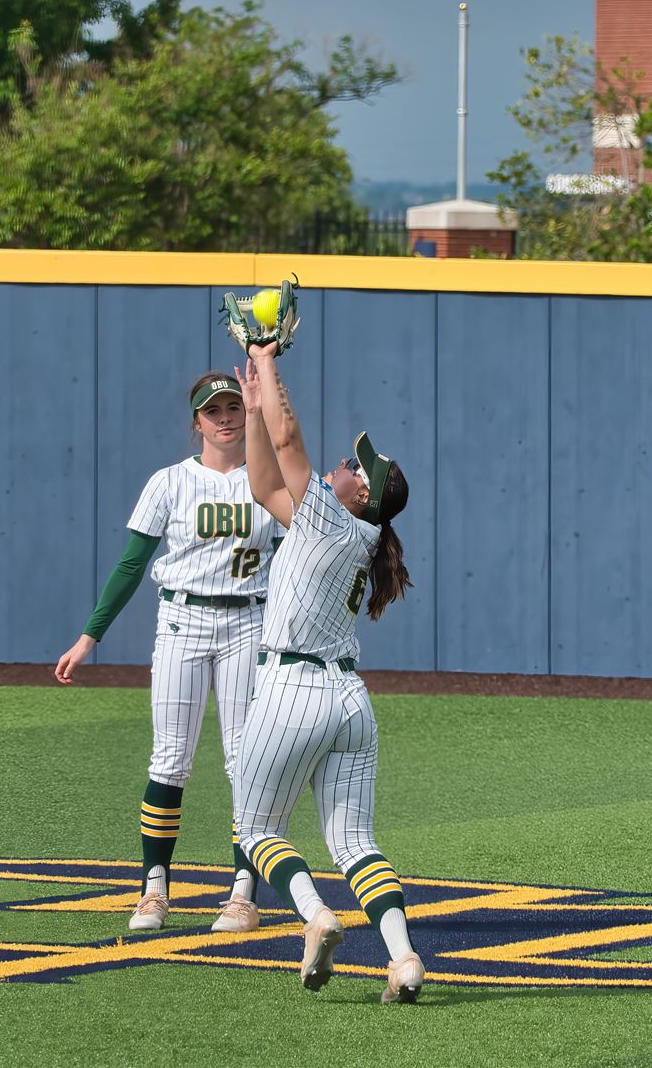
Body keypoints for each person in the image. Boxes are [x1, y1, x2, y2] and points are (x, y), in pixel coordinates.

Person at [230, 342, 425, 1004]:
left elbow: (288, 442)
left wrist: (264, 358)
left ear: (361, 494)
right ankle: (402, 960)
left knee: (256, 830)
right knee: (355, 842)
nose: (342, 466)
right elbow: (261, 482)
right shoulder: (344, 533)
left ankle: (314, 916)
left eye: (353, 467)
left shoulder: (326, 517)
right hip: (351, 703)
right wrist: (254, 406)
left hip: (293, 690)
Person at [54, 372, 280, 935]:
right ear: (195, 423)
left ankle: (242, 893)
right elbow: (132, 563)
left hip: (249, 621)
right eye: (213, 410)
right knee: (169, 759)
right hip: (181, 620)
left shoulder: (270, 481)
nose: (225, 417)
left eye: (233, 406)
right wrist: (91, 635)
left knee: (244, 764)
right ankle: (155, 889)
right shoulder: (170, 482)